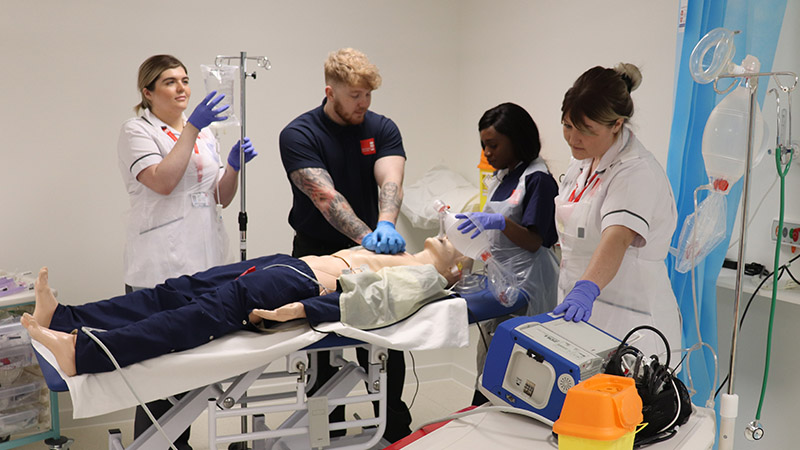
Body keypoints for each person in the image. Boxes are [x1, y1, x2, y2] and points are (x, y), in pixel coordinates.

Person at [21, 237, 465, 377]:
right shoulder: (407, 253)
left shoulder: (425, 278)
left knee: (196, 317)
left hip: (298, 283)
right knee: (176, 291)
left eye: (459, 249)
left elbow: (367, 304)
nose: (452, 239)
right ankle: (64, 318)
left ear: (455, 274)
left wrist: (299, 312)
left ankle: (85, 352)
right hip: (285, 265)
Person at [116, 54, 258, 449]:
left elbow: (219, 197)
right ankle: (154, 444)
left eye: (184, 80)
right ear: (147, 92)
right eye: (169, 82)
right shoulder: (137, 131)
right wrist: (193, 128)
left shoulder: (206, 135)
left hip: (205, 260)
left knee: (191, 366)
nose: (182, 88)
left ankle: (181, 442)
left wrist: (232, 169)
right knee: (157, 370)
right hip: (158, 266)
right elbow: (161, 181)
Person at [278, 48, 410, 441]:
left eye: (368, 95)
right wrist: (366, 235)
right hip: (317, 253)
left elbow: (390, 179)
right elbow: (325, 197)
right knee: (320, 350)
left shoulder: (382, 127)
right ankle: (327, 430)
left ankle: (390, 429)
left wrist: (384, 225)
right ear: (330, 91)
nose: (363, 104)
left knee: (385, 346)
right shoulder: (299, 134)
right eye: (355, 95)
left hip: (370, 256)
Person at [551, 64, 681, 359]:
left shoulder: (636, 171)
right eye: (568, 126)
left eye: (586, 131)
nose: (573, 139)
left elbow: (617, 238)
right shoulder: (583, 161)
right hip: (585, 314)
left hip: (633, 324)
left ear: (617, 124)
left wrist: (586, 289)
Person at [455, 103, 560, 405]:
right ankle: (482, 407)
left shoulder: (538, 179)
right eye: (483, 145)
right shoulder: (503, 175)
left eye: (493, 145)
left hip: (530, 284)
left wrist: (500, 222)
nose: (487, 152)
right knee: (490, 353)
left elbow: (534, 241)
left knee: (520, 363)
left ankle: (495, 412)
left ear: (517, 140)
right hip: (502, 283)